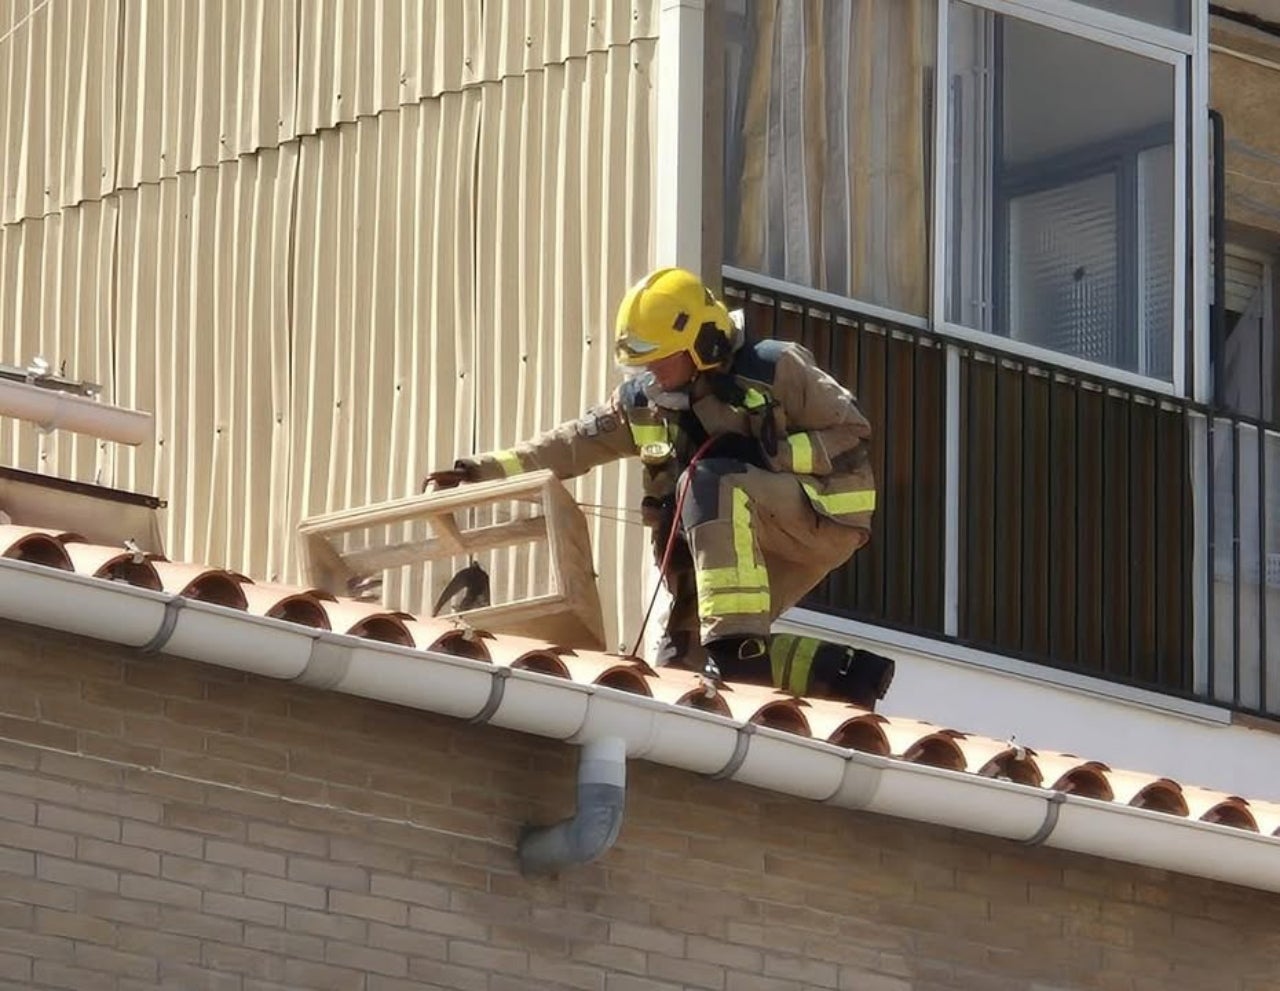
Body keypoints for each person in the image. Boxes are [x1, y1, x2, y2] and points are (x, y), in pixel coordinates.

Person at [425, 267, 893, 705]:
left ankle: (737, 643)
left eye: (661, 360)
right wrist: (478, 469)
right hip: (726, 540)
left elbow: (852, 433)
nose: (652, 375)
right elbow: (568, 445)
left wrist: (775, 453)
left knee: (711, 482)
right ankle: (846, 676)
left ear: (703, 344)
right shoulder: (645, 402)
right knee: (680, 667)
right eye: (642, 364)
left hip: (821, 516)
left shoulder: (775, 368)